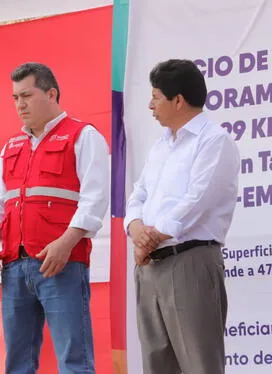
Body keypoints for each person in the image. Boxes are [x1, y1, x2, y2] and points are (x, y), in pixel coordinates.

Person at [0, 62, 110, 373]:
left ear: (52, 94)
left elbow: (95, 199)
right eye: (15, 98)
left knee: (74, 360)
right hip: (13, 267)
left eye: (27, 95)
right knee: (18, 364)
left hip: (61, 264)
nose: (20, 104)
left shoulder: (83, 136)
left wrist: (66, 243)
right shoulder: (11, 146)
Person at [124, 59, 239, 374]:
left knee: (199, 364)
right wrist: (135, 228)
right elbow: (139, 195)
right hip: (150, 267)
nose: (151, 105)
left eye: (156, 97)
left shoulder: (214, 141)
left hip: (190, 262)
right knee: (157, 364)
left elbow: (197, 200)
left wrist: (151, 237)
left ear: (178, 100)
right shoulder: (161, 147)